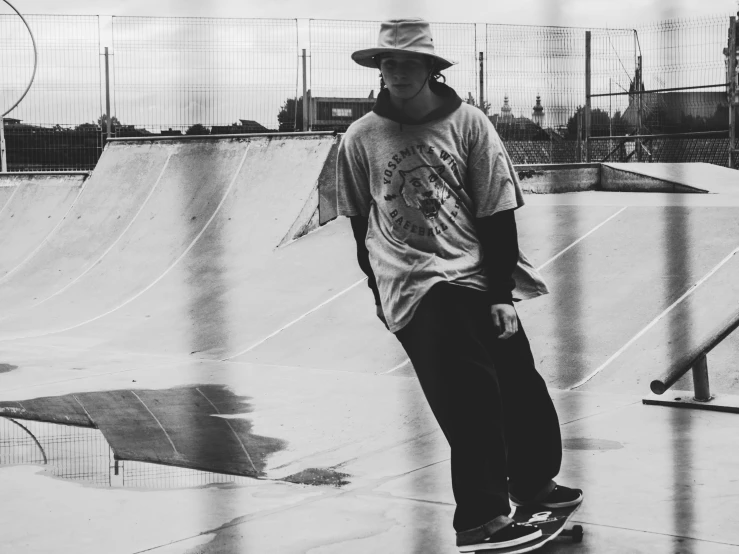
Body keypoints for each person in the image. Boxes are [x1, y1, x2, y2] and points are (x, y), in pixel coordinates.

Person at [336, 18, 582, 552]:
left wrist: (499, 295)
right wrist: (380, 293)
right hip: (413, 282)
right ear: (379, 69)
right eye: (388, 63)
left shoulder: (469, 125)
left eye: (407, 62)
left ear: (429, 68)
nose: (396, 72)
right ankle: (481, 519)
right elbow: (362, 224)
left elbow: (497, 212)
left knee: (520, 383)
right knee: (469, 393)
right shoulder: (360, 138)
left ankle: (534, 485)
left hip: (474, 273)